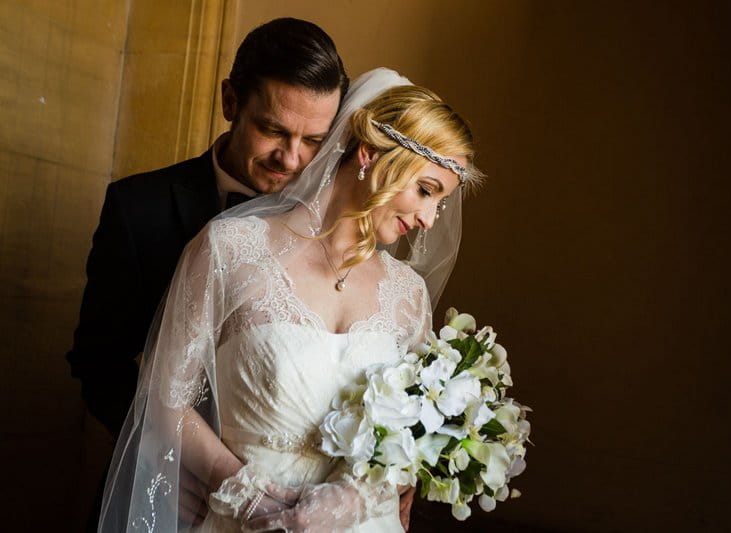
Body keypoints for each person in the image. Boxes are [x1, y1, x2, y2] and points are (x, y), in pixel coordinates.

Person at [98, 68, 484, 532]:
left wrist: (354, 498)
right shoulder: (230, 248)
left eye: (439, 202)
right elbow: (165, 399)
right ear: (368, 154)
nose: (428, 218)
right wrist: (246, 496)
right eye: (425, 190)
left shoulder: (408, 294)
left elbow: (417, 431)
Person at [66, 17, 347, 529]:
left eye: (314, 140)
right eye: (273, 130)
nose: (292, 158)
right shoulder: (138, 209)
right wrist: (176, 458)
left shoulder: (340, 232)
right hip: (166, 487)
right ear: (230, 101)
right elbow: (97, 362)